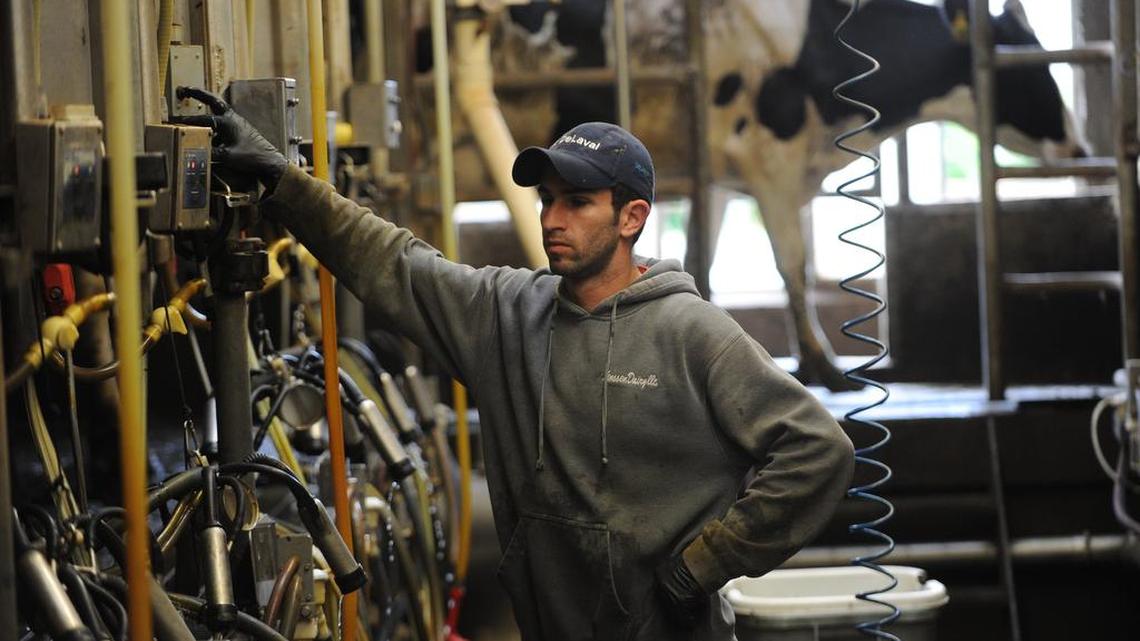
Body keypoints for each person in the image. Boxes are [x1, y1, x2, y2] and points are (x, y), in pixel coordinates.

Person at [178, 87, 854, 641]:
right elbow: (392, 261)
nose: (552, 218)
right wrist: (280, 179)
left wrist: (702, 565)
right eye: (548, 200)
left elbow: (817, 451)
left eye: (577, 202)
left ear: (631, 217)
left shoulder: (692, 332)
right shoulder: (505, 314)